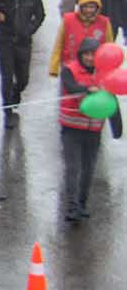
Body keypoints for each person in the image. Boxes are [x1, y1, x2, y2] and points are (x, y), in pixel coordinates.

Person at [58, 37, 123, 221]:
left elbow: (112, 100)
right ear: (80, 54)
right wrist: (88, 89)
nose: (89, 58)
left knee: (88, 169)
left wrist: (116, 127)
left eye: (93, 54)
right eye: (86, 54)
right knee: (73, 168)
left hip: (93, 130)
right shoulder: (69, 70)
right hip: (71, 128)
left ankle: (82, 204)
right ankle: (71, 207)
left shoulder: (105, 74)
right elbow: (71, 88)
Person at [0, 0, 45, 124]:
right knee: (6, 76)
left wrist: (29, 30)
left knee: (23, 78)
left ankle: (16, 91)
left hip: (23, 42)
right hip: (5, 41)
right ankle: (7, 110)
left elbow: (40, 16)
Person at [49, 0, 112, 76]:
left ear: (97, 8)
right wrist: (54, 67)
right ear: (80, 7)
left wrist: (110, 69)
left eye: (92, 7)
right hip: (69, 66)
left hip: (94, 68)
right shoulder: (68, 19)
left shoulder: (104, 22)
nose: (88, 10)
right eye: (85, 6)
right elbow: (59, 44)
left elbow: (109, 47)